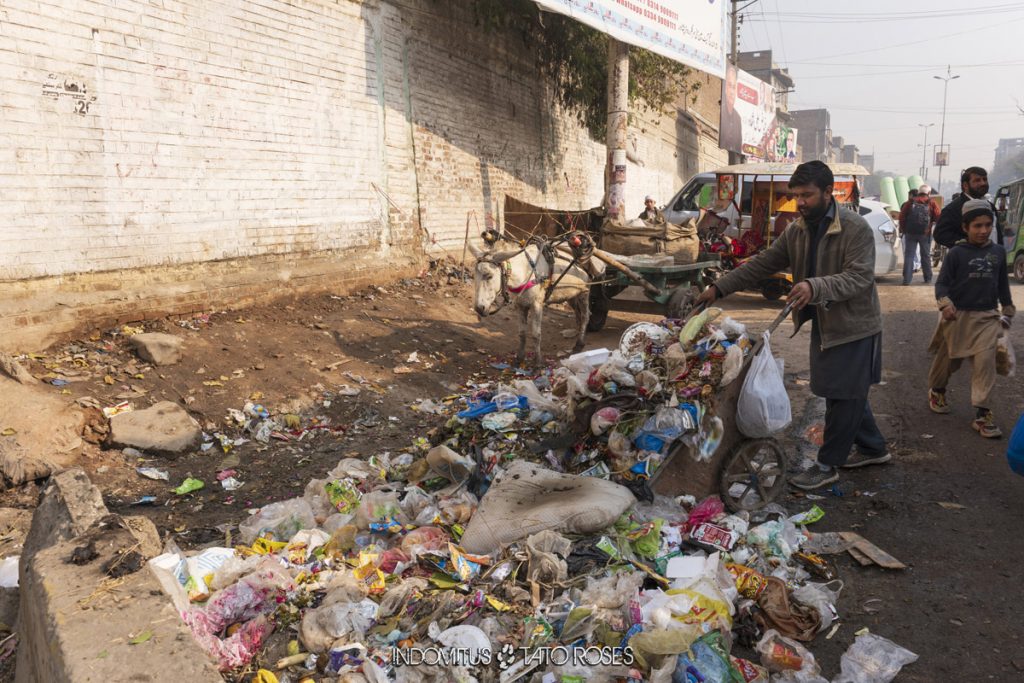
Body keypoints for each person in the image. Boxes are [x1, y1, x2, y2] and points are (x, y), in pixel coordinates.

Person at [694, 161, 888, 490]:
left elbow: (859, 277)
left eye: (807, 195)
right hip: (826, 324)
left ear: (829, 192)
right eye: (796, 195)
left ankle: (828, 465)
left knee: (844, 395)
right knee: (843, 390)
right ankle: (873, 447)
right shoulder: (797, 230)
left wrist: (814, 286)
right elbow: (763, 264)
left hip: (855, 325)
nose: (799, 202)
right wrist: (719, 288)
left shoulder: (854, 228)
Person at [927, 199, 1015, 438]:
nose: (983, 230)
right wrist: (945, 304)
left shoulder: (997, 252)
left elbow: (1002, 284)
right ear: (965, 227)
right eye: (977, 226)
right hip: (957, 316)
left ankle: (982, 414)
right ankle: (937, 390)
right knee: (948, 362)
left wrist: (1007, 308)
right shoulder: (956, 253)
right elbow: (943, 283)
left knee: (985, 363)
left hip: (987, 316)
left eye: (987, 225)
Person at [934, 167, 995, 248]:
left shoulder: (990, 206)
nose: (983, 183)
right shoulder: (953, 209)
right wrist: (968, 243)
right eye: (977, 180)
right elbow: (940, 234)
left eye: (984, 179)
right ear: (965, 185)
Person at [898, 185, 940, 285]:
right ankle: (927, 278)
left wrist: (904, 230)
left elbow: (902, 217)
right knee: (925, 256)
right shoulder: (931, 202)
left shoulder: (910, 202)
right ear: (929, 193)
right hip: (925, 234)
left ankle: (907, 280)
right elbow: (938, 217)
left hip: (910, 233)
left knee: (909, 256)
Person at [719, 65, 743, 153]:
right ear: (725, 88)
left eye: (734, 87)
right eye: (729, 86)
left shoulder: (738, 118)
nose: (732, 92)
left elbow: (739, 147)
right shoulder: (720, 112)